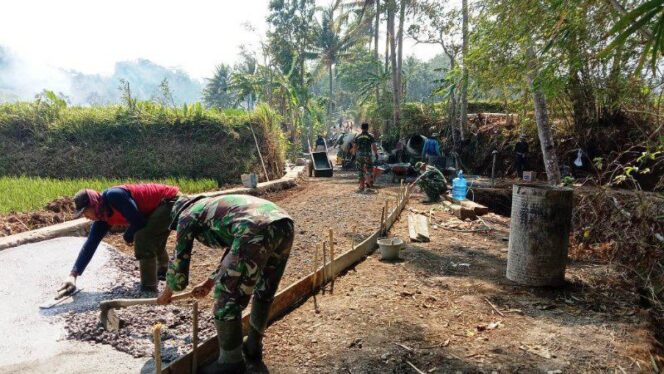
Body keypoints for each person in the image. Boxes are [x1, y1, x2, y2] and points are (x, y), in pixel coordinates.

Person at [157, 194, 294, 373]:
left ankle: (231, 364)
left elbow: (179, 262)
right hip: (283, 224)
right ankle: (253, 347)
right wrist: (209, 282)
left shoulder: (186, 216)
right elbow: (235, 249)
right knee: (265, 288)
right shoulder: (214, 207)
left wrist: (168, 292)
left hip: (254, 229)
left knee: (226, 300)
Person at [58, 184, 180, 296]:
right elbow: (91, 243)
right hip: (158, 207)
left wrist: (127, 235)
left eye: (85, 212)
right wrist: (73, 275)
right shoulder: (102, 216)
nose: (86, 217)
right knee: (150, 235)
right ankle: (163, 271)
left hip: (169, 201)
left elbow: (138, 221)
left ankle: (149, 289)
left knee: (143, 237)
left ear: (93, 204)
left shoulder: (114, 196)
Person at [351, 122, 378, 192]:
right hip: (367, 155)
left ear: (361, 128)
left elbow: (354, 147)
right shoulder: (370, 136)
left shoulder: (357, 136)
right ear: (367, 128)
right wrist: (376, 154)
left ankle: (361, 186)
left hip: (359, 155)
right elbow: (374, 146)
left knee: (360, 170)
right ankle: (368, 184)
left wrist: (353, 155)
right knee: (369, 169)